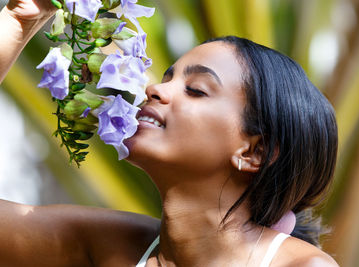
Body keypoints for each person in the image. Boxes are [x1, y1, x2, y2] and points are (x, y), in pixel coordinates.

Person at [0, 0, 339, 266]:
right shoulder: (113, 244)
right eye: (167, 78)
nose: (155, 90)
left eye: (196, 90)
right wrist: (18, 21)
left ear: (253, 153)